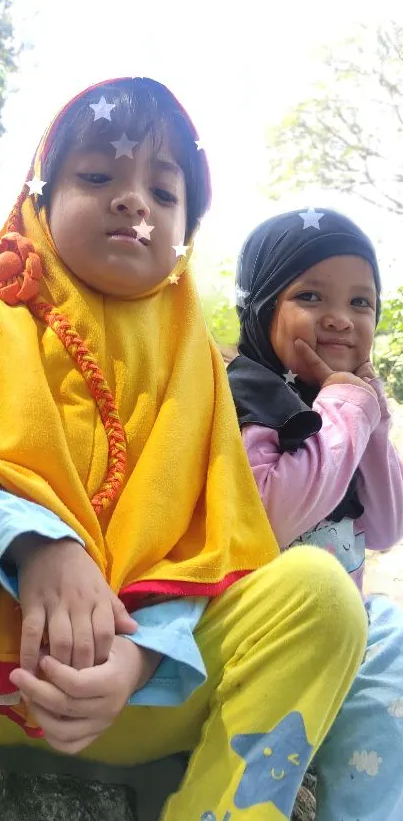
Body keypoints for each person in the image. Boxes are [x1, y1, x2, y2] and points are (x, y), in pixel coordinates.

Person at [0, 84, 367, 820]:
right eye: (98, 176)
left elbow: (213, 538)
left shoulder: (197, 365)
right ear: (39, 195)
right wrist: (35, 540)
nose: (134, 202)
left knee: (320, 593)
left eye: (164, 193)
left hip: (139, 691)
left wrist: (141, 658)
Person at [228, 207, 403, 821]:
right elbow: (272, 510)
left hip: (347, 630)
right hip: (270, 640)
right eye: (310, 295)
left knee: (396, 667)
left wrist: (370, 417)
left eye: (362, 302)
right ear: (261, 306)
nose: (341, 317)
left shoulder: (343, 401)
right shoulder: (247, 394)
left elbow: (383, 527)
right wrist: (346, 411)